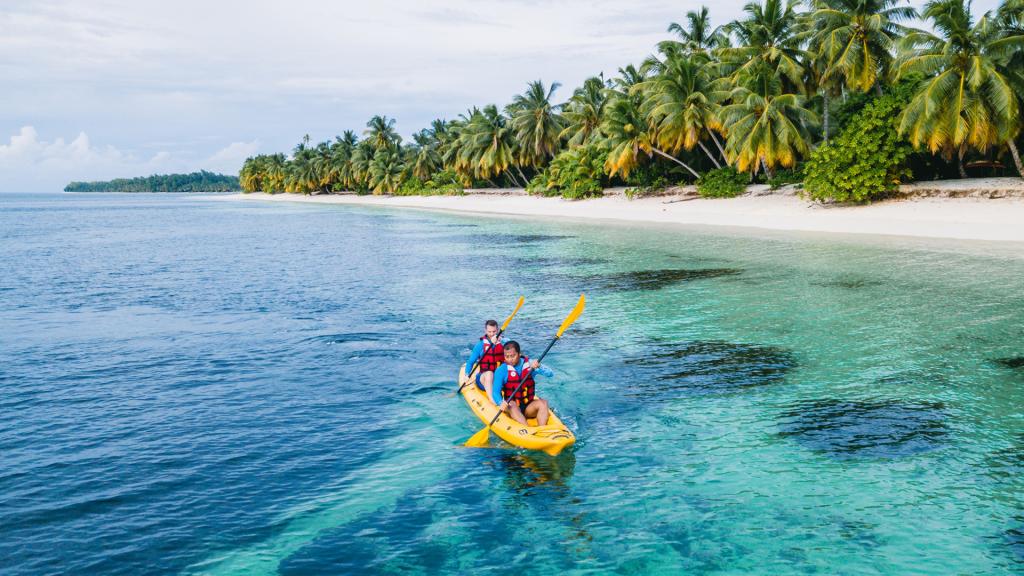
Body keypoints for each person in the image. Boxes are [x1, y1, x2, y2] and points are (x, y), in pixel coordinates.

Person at [488, 340, 553, 426]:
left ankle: (543, 429)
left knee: (543, 403)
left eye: (513, 356)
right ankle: (527, 430)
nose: (510, 359)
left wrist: (539, 366)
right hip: (512, 407)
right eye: (507, 356)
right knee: (512, 405)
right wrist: (500, 402)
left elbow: (550, 374)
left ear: (519, 354)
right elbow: (495, 392)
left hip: (528, 406)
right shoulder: (501, 370)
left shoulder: (530, 364)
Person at [465, 319, 503, 393]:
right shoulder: (480, 345)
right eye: (489, 331)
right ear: (485, 331)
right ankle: (494, 400)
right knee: (489, 374)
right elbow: (470, 362)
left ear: (497, 330)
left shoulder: (504, 342)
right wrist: (467, 374)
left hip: (499, 378)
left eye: (494, 331)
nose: (492, 334)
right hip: (484, 378)